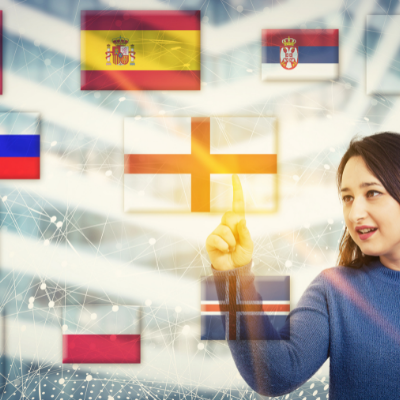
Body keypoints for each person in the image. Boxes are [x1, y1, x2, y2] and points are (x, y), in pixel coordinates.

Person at [205, 132, 400, 399]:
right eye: (348, 198)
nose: (355, 214)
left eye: (373, 193)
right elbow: (274, 375)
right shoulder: (336, 291)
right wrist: (233, 280)